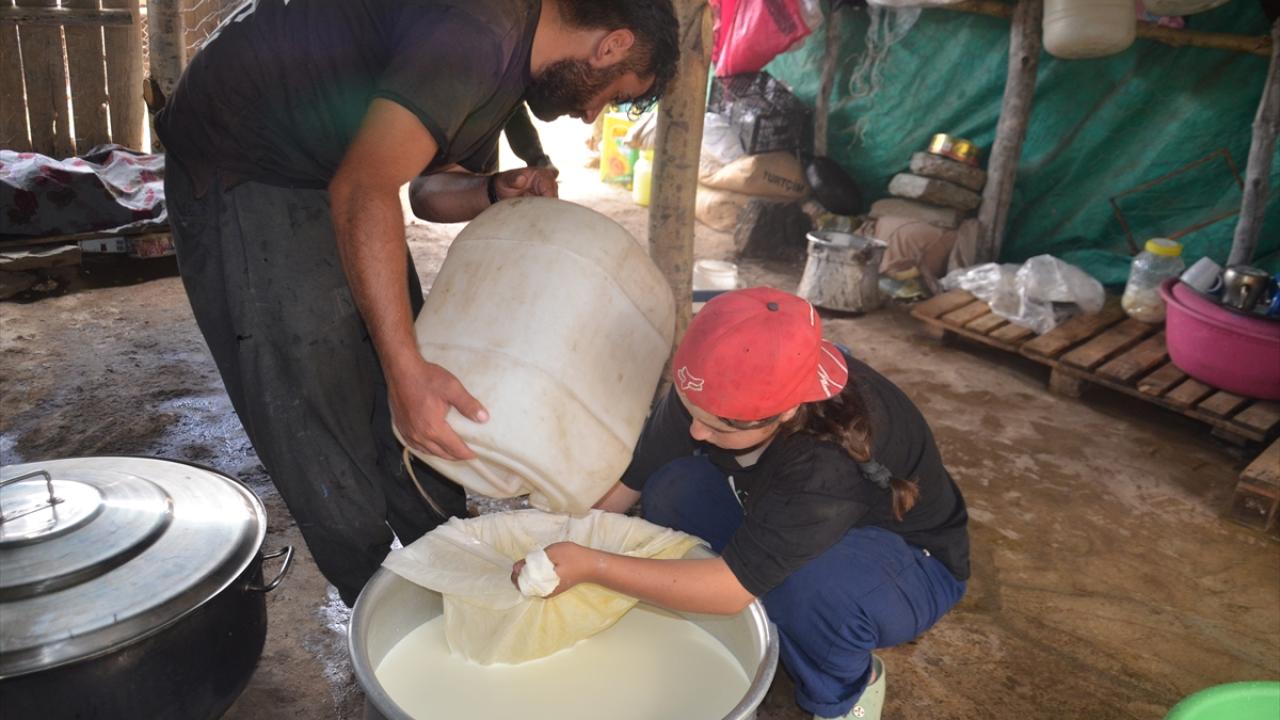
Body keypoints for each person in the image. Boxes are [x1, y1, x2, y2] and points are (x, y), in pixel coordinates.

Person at [156, 0, 679, 606]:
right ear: (611, 45)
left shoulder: (514, 66)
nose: (592, 115)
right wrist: (405, 371)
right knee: (318, 406)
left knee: (408, 377)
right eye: (613, 95)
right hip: (244, 161)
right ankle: (380, 608)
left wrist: (493, 189)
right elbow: (364, 188)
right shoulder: (479, 31)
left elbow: (428, 189)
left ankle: (450, 563)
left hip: (334, 169)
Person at [512, 287, 970, 720]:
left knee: (804, 589)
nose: (697, 431)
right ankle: (752, 611)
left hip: (907, 561)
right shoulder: (718, 379)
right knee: (671, 490)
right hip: (791, 510)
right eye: (692, 410)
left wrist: (594, 566)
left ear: (786, 412)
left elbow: (732, 589)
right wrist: (558, 543)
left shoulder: (825, 462)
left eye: (720, 428)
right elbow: (634, 478)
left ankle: (849, 688)